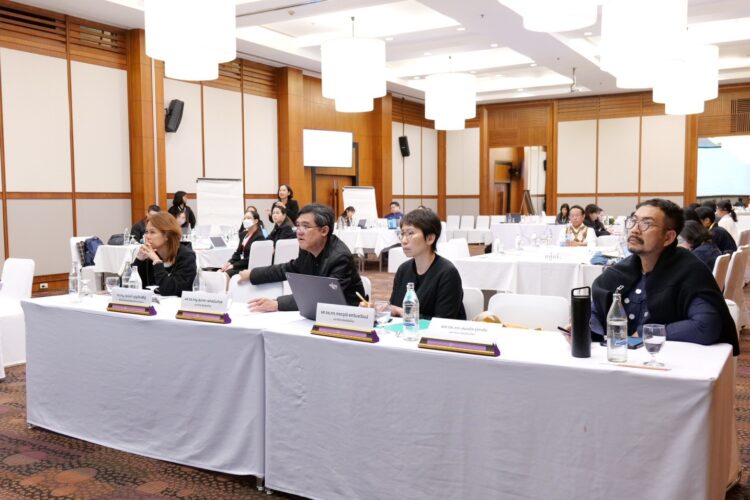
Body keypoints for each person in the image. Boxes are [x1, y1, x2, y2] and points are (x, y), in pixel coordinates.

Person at [591, 199, 738, 354]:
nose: (634, 229)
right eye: (633, 221)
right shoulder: (622, 270)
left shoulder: (688, 271)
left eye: (646, 223)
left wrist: (646, 333)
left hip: (668, 360)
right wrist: (590, 330)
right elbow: (595, 310)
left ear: (668, 237)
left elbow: (705, 325)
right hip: (616, 358)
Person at [238, 204, 365, 312]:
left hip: (346, 315)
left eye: (305, 226)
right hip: (317, 313)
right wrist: (253, 274)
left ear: (324, 231)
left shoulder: (340, 257)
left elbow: (323, 296)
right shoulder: (307, 249)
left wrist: (277, 303)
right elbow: (289, 268)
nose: (299, 232)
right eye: (298, 225)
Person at [387, 209, 466, 320]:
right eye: (402, 234)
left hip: (438, 331)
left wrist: (404, 313)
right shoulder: (403, 270)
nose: (404, 241)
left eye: (410, 233)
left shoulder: (447, 273)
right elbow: (394, 308)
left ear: (430, 238)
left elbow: (443, 321)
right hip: (404, 329)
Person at [133, 212, 197, 297]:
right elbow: (128, 286)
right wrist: (138, 260)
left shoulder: (187, 257)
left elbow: (170, 289)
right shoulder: (149, 256)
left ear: (167, 235)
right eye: (146, 232)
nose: (147, 237)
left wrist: (156, 261)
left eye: (152, 232)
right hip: (152, 303)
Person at [221, 209, 265, 277]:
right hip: (240, 264)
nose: (246, 220)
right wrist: (229, 262)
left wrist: (233, 265)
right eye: (244, 218)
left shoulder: (259, 237)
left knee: (226, 273)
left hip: (248, 266)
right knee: (221, 270)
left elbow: (252, 258)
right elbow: (238, 253)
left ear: (256, 221)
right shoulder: (243, 234)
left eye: (249, 218)